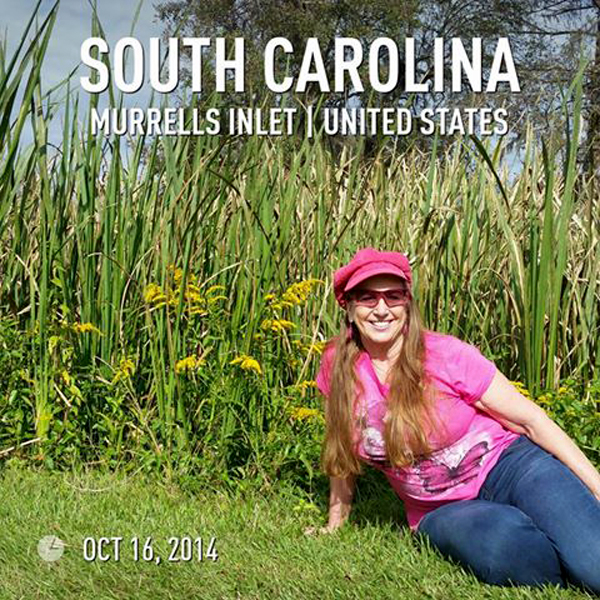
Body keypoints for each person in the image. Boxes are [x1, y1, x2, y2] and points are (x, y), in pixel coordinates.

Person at [308, 247, 600, 593]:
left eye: (393, 297)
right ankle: (555, 542)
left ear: (407, 304)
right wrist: (336, 521)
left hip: (510, 467)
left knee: (594, 565)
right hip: (441, 508)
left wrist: (597, 486)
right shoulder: (336, 365)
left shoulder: (445, 354)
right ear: (349, 306)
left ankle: (572, 542)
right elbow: (341, 445)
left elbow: (531, 421)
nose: (382, 309)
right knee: (508, 552)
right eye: (368, 298)